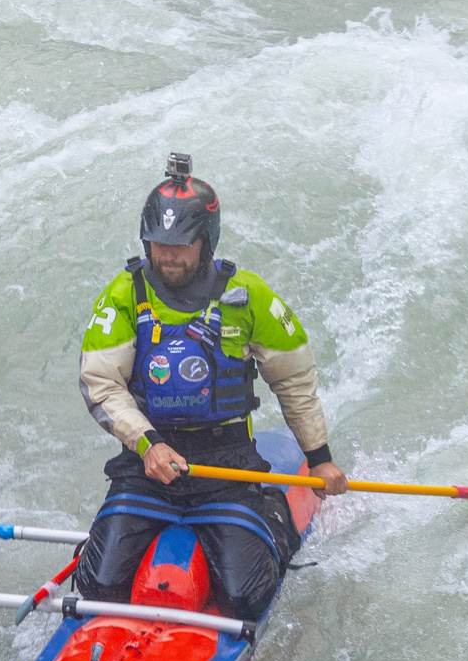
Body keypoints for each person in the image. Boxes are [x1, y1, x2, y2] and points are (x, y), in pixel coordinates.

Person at [72, 154, 346, 620]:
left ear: (206, 241)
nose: (169, 255)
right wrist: (148, 443)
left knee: (245, 597)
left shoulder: (249, 295)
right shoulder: (123, 294)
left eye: (182, 244)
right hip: (148, 465)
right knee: (98, 585)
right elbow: (101, 384)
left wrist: (319, 457)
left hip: (227, 468)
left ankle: (273, 515)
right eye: (159, 243)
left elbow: (295, 379)